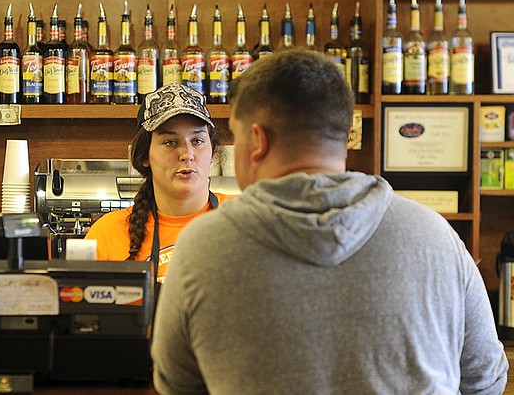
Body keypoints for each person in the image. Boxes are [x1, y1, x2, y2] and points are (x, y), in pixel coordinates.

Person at [151, 50, 508, 394]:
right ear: (345, 135)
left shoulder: (203, 248)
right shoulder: (435, 235)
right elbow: (484, 378)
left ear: (256, 141)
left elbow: (175, 384)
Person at [85, 83, 226, 284]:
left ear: (213, 153)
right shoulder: (107, 234)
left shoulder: (249, 223)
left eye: (197, 141)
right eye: (170, 142)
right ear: (145, 156)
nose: (187, 154)